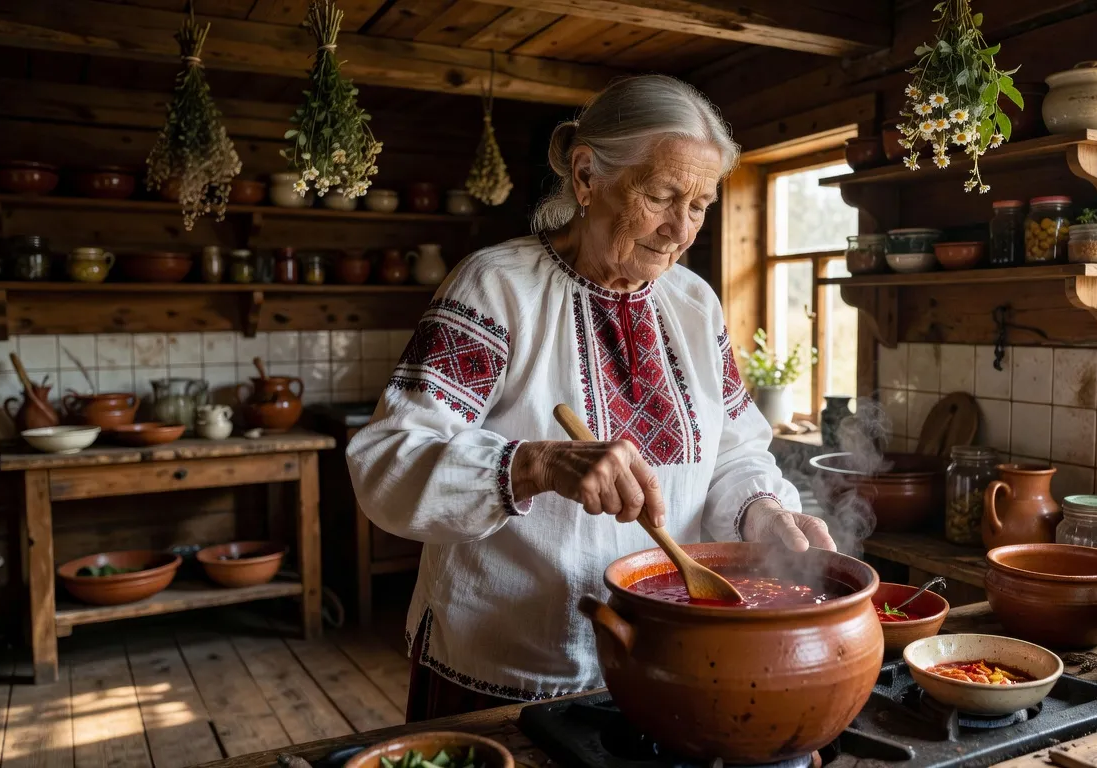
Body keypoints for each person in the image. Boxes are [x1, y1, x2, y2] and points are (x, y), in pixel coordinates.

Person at [346, 74, 834, 722]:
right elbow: (387, 461)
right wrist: (534, 466)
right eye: (661, 195)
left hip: (665, 657)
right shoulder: (497, 289)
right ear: (586, 176)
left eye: (700, 206)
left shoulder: (694, 304)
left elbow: (731, 453)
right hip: (509, 670)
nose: (678, 230)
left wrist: (763, 514)